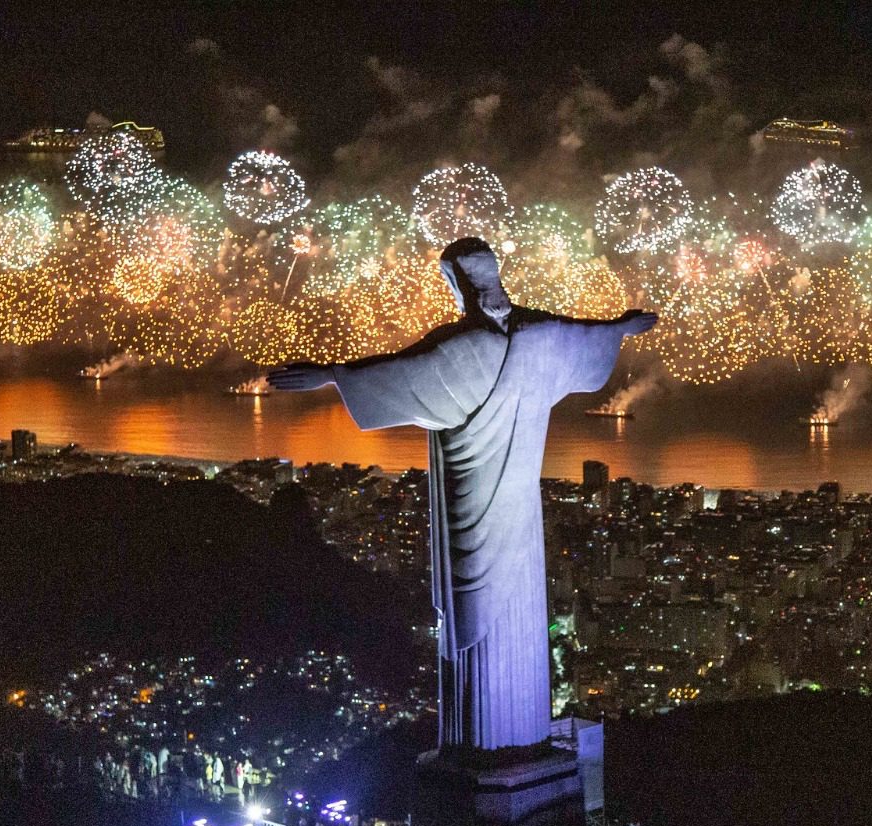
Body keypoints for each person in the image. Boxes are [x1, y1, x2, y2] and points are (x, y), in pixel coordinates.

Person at [269, 238, 656, 751]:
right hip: (521, 512)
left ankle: (482, 746)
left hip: (470, 500)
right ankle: (520, 736)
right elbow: (585, 336)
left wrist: (331, 376)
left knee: (473, 620)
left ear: (455, 284)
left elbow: (399, 374)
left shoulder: (461, 348)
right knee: (516, 612)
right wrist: (621, 328)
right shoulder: (540, 335)